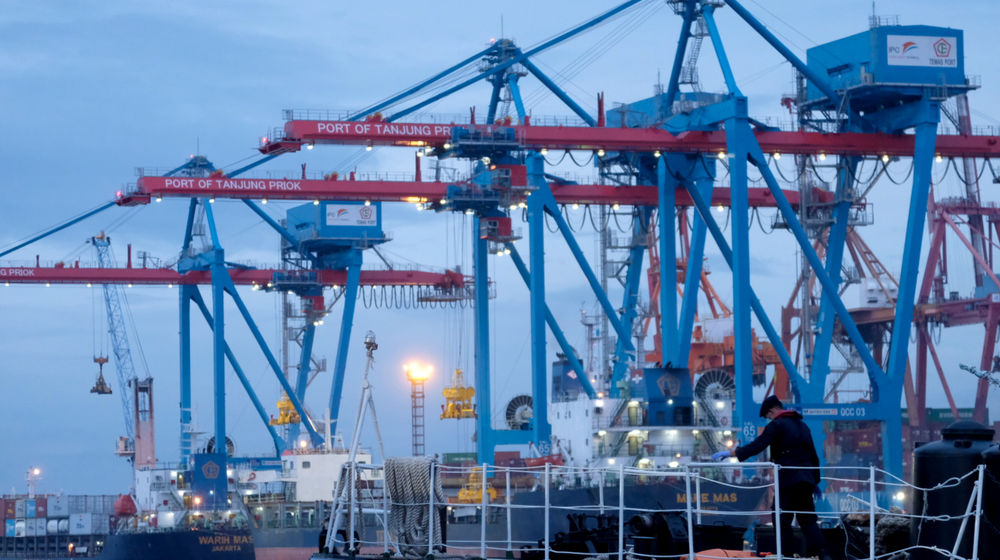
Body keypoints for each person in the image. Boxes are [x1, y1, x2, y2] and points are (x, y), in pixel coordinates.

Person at [713, 395, 831, 560]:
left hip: (788, 481)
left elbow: (758, 445)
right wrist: (815, 481)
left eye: (768, 416)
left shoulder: (777, 425)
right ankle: (824, 555)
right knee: (808, 520)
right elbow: (814, 455)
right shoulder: (803, 425)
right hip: (806, 481)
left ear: (772, 410)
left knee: (781, 520)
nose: (768, 420)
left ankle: (787, 556)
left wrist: (732, 453)